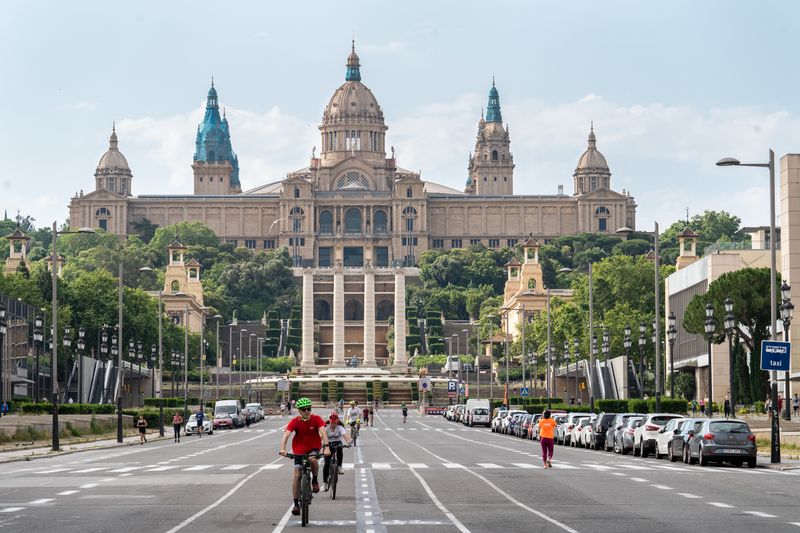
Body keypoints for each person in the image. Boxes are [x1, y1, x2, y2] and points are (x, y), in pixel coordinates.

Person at [279, 397, 330, 516]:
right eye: (304, 409)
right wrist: (283, 449)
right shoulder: (295, 421)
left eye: (309, 409)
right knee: (297, 474)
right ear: (299, 411)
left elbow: (323, 432)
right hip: (299, 449)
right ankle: (296, 504)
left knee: (313, 460)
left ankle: (315, 481)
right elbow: (286, 435)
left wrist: (326, 447)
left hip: (314, 446)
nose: (307, 411)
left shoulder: (316, 419)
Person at [322, 411, 351, 492]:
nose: (333, 424)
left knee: (340, 448)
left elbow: (345, 436)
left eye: (334, 423)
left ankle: (339, 466)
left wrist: (348, 442)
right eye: (331, 422)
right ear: (329, 421)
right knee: (326, 464)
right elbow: (321, 436)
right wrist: (322, 444)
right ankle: (324, 483)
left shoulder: (340, 427)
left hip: (337, 443)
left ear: (337, 421)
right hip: (328, 444)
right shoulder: (325, 427)